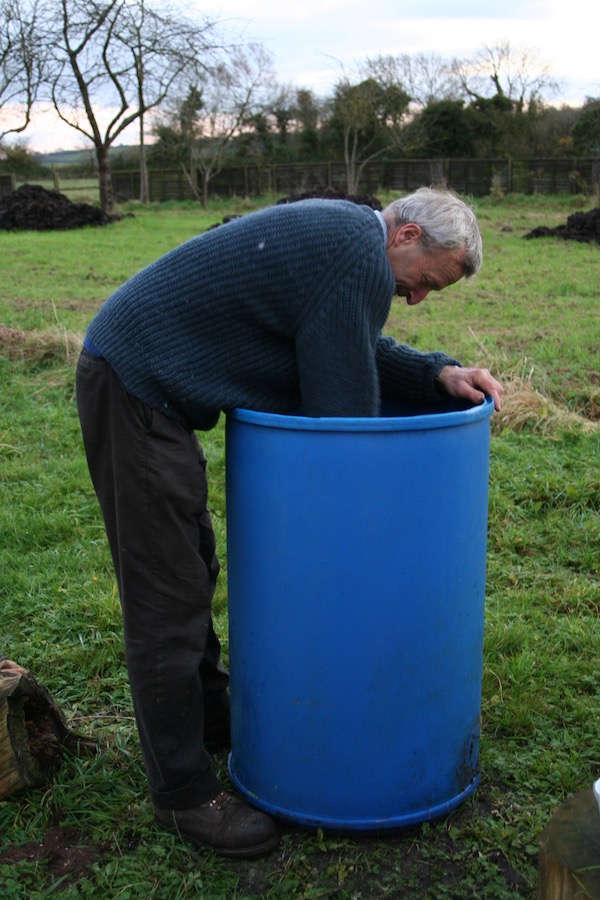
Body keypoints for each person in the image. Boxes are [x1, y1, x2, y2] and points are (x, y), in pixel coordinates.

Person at [75, 187, 503, 859]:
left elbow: (345, 347)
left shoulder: (350, 241)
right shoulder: (355, 255)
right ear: (408, 235)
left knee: (192, 561)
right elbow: (344, 412)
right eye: (423, 285)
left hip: (144, 382)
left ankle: (211, 712)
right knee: (167, 596)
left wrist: (436, 374)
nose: (417, 300)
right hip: (133, 384)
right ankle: (184, 795)